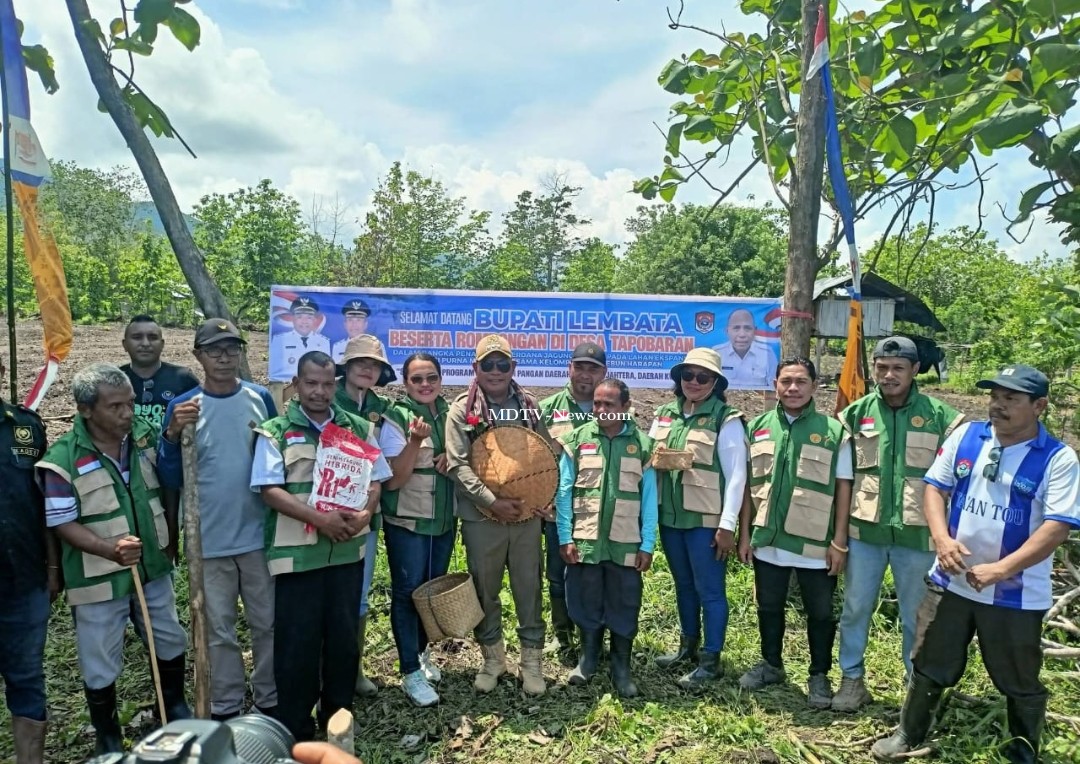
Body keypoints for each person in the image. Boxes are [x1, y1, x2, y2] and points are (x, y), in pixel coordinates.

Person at [872, 364, 1080, 764]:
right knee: (930, 659)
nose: (997, 406)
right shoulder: (968, 436)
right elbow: (934, 486)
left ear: (1039, 406)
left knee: (1017, 676)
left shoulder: (1058, 458)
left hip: (1014, 595)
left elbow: (1057, 527)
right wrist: (942, 539)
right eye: (995, 396)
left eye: (1011, 399)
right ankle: (908, 733)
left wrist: (1001, 570)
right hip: (951, 582)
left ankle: (1023, 750)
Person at [38, 363, 190, 755]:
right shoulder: (63, 458)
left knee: (169, 635)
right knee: (100, 654)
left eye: (131, 404)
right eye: (116, 407)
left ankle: (171, 706)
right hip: (97, 576)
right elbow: (61, 522)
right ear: (86, 409)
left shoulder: (143, 437)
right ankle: (108, 736)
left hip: (152, 566)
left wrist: (170, 537)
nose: (128, 414)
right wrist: (109, 549)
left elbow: (167, 482)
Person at [250, 351, 391, 742]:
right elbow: (269, 490)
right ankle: (296, 726)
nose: (320, 392)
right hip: (297, 558)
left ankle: (337, 717)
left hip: (347, 552)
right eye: (311, 383)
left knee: (343, 639)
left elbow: (376, 479)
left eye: (327, 384)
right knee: (297, 642)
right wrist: (319, 519)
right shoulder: (275, 431)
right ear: (296, 385)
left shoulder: (359, 428)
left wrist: (365, 512)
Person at [832, 337, 965, 712]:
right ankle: (852, 680)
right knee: (856, 608)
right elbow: (843, 479)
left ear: (915, 370)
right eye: (882, 367)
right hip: (865, 534)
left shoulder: (942, 418)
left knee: (915, 616)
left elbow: (956, 484)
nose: (888, 375)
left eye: (898, 368)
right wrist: (839, 538)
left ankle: (914, 689)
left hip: (918, 537)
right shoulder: (854, 415)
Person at [157, 319, 279, 721]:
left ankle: (269, 699)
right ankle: (225, 704)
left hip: (259, 535)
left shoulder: (259, 398)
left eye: (231, 348)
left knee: (268, 622)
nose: (224, 357)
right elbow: (170, 476)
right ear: (198, 356)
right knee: (217, 630)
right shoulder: (184, 408)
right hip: (208, 539)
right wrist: (173, 435)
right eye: (214, 350)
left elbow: (276, 458)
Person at [739, 357, 852, 708]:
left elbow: (843, 487)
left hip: (815, 543)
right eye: (786, 381)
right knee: (768, 606)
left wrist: (839, 542)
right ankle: (772, 664)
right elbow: (746, 487)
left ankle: (819, 675)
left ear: (814, 387)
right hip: (768, 540)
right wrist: (745, 535)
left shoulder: (834, 432)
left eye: (801, 382)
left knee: (819, 613)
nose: (792, 388)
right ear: (775, 384)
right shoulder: (756, 427)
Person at [445, 334, 552, 697]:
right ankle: (492, 660)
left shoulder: (529, 407)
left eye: (502, 364)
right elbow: (458, 465)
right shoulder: (461, 409)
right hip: (481, 517)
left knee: (529, 588)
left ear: (513, 368)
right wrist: (491, 501)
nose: (495, 371)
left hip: (524, 516)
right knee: (484, 590)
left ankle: (531, 664)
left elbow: (545, 458)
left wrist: (543, 499)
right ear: (475, 368)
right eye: (487, 364)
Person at [650, 348, 748, 688]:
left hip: (707, 521)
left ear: (716, 382)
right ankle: (687, 648)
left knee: (710, 591)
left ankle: (710, 660)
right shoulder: (664, 414)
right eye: (687, 375)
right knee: (683, 586)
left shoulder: (726, 418)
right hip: (671, 518)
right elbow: (649, 465)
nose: (693, 382)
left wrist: (727, 525)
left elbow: (737, 476)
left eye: (702, 377)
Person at [557, 378, 657, 698]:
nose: (601, 409)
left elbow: (650, 498)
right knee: (584, 597)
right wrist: (564, 536)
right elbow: (564, 492)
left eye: (609, 404)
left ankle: (621, 666)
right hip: (585, 540)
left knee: (624, 600)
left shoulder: (643, 446)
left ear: (625, 407)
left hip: (625, 542)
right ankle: (588, 659)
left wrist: (647, 544)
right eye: (597, 403)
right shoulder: (577, 440)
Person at [377, 353, 456, 707]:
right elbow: (393, 481)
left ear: (440, 379)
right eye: (417, 379)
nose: (425, 385)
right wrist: (414, 443)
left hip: (442, 519)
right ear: (405, 383)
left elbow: (469, 456)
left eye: (431, 378)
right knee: (408, 592)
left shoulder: (451, 413)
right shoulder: (396, 417)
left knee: (430, 590)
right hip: (408, 519)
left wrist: (452, 458)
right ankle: (409, 670)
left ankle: (423, 655)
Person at [0, 356, 57, 764]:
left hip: (24, 578)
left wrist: (54, 568)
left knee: (26, 679)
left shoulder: (25, 426)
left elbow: (45, 503)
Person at [332, 334, 395, 698]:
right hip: (323, 510)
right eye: (360, 363)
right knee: (329, 591)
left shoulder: (380, 407)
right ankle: (327, 668)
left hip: (366, 512)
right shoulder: (328, 398)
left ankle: (352, 668)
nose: (367, 369)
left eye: (374, 365)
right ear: (346, 366)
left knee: (360, 594)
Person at [538, 341, 607, 660]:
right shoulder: (548, 408)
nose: (585, 375)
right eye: (579, 367)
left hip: (599, 512)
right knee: (557, 575)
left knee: (597, 577)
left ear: (603, 373)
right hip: (557, 511)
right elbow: (534, 459)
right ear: (569, 368)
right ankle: (562, 637)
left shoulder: (613, 407)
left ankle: (595, 637)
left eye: (593, 369)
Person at [119, 314, 199, 429]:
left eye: (152, 337)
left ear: (162, 344)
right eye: (137, 337)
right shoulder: (114, 380)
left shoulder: (183, 378)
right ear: (125, 344)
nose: (145, 343)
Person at [712, 309, 778, 389]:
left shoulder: (767, 354)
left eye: (747, 328)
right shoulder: (717, 353)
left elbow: (773, 388)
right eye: (736, 328)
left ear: (755, 331)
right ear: (727, 331)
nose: (742, 334)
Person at [269, 298, 331, 381]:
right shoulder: (279, 340)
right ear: (293, 319)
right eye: (299, 317)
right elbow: (275, 371)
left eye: (309, 317)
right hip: (286, 383)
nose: (304, 321)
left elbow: (326, 370)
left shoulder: (324, 342)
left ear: (314, 320)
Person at [332, 299, 371, 363]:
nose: (354, 325)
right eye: (350, 320)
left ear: (365, 324)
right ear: (345, 324)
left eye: (358, 320)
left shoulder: (375, 346)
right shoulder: (337, 347)